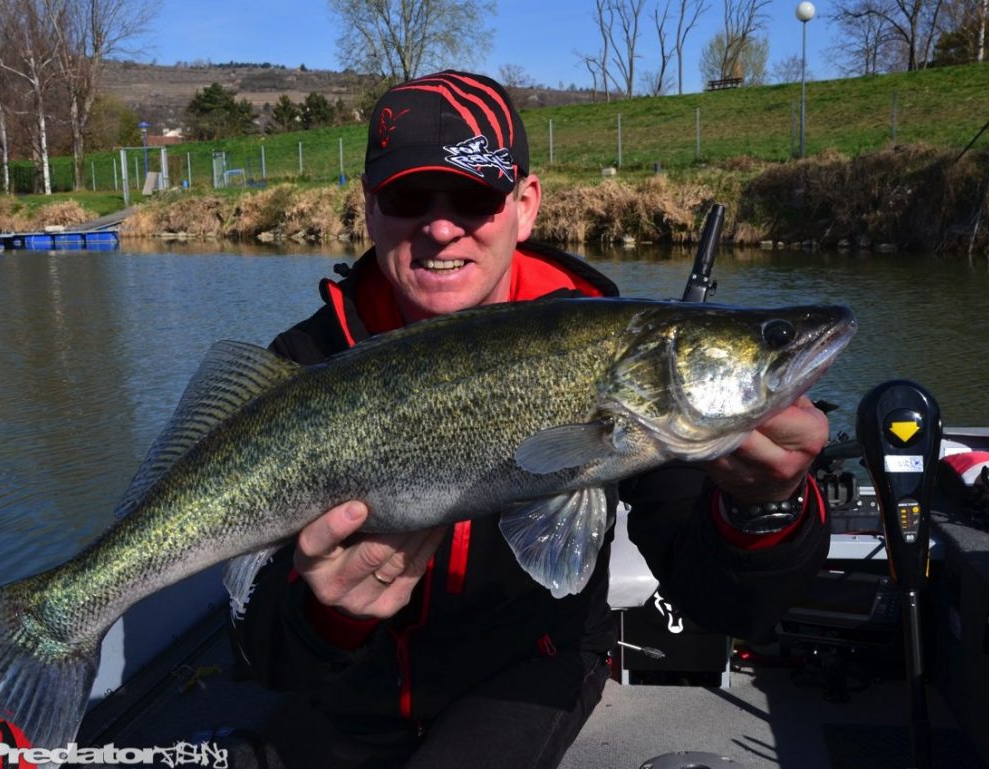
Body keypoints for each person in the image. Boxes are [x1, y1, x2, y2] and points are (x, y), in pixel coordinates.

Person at [232, 70, 831, 769]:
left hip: (526, 670)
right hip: (349, 686)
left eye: (473, 196)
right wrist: (328, 614)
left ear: (525, 204)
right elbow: (259, 649)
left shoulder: (621, 356)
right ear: (368, 208)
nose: (441, 224)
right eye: (406, 196)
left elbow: (725, 604)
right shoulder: (303, 366)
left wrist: (762, 507)